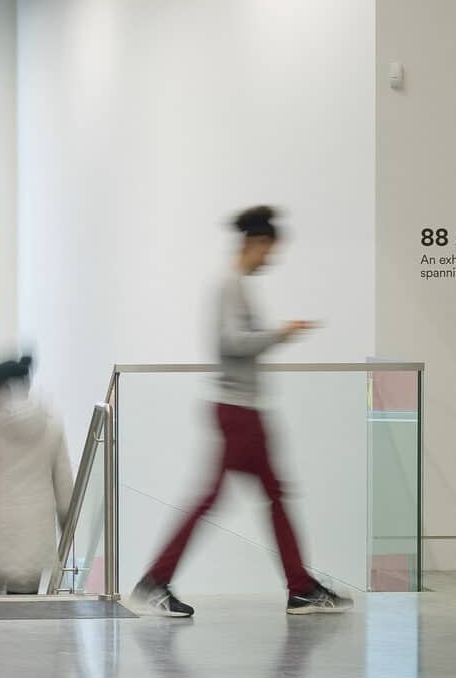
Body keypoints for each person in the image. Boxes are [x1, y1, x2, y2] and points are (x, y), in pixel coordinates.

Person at [134, 206, 350, 620]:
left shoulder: (235, 284)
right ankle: (158, 580)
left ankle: (299, 586)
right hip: (238, 411)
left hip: (240, 409)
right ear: (256, 244)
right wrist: (281, 334)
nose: (272, 259)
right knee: (239, 497)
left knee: (269, 495)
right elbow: (232, 342)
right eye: (270, 250)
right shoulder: (230, 284)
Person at [0, 355, 74, 595]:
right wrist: (66, 527)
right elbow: (65, 489)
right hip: (35, 543)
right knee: (25, 626)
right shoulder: (52, 427)